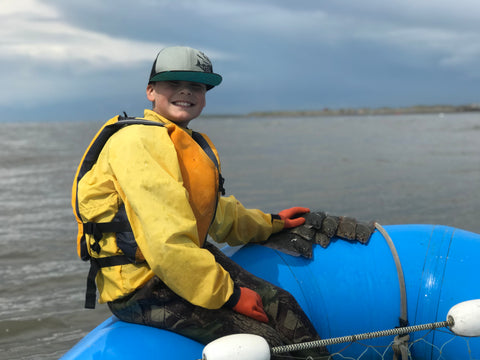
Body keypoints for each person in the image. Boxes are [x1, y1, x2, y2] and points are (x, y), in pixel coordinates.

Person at [72, 46, 329, 359]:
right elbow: (166, 244)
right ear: (150, 91)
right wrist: (231, 295)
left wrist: (271, 222)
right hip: (144, 284)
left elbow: (217, 215)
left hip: (181, 267)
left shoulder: (181, 140)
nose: (185, 91)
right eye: (173, 83)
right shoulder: (137, 142)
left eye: (196, 85)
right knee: (263, 341)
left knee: (281, 303)